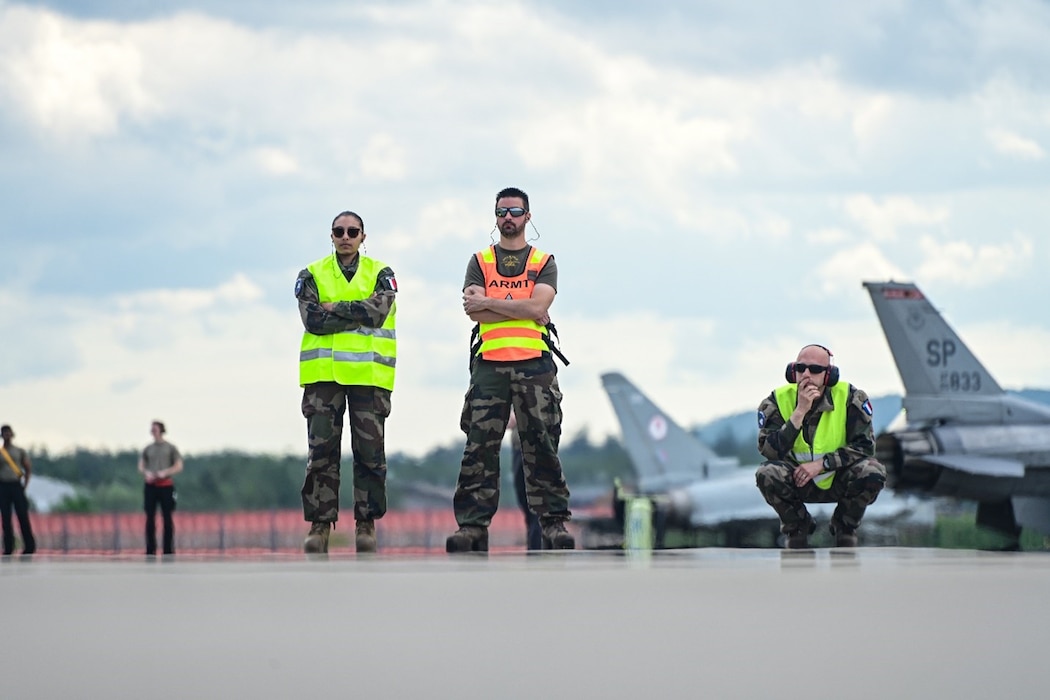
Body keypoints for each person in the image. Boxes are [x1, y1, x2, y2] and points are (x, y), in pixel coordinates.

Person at [446, 187, 573, 552]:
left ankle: (553, 524)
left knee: (541, 445)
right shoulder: (480, 260)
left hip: (535, 365)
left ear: (527, 217)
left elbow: (538, 309)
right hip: (489, 367)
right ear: (495, 216)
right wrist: (518, 303)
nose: (508, 217)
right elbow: (474, 311)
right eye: (502, 211)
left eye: (515, 211)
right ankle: (472, 527)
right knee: (478, 449)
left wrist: (492, 301)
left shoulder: (543, 261)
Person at [296, 210, 397, 554]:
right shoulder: (311, 273)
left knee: (370, 454)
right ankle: (320, 525)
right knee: (321, 453)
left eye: (352, 231)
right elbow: (313, 320)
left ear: (363, 237)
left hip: (369, 376)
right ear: (331, 235)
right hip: (323, 377)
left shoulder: (381, 273)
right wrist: (356, 315)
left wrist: (335, 306)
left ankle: (366, 524)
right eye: (339, 230)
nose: (345, 236)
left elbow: (378, 313)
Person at [754, 344, 886, 548]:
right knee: (767, 473)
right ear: (792, 371)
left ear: (829, 375)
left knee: (872, 470)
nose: (806, 374)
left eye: (815, 369)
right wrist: (799, 412)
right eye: (800, 368)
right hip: (798, 479)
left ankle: (845, 527)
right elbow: (768, 450)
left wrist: (821, 464)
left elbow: (865, 447)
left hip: (838, 477)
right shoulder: (777, 401)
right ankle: (798, 527)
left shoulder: (850, 398)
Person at [138, 420, 183, 556]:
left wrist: (166, 472)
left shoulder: (170, 448)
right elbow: (141, 465)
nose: (153, 431)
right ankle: (150, 548)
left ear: (161, 430)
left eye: (155, 429)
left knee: (167, 517)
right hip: (151, 486)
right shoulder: (148, 449)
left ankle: (168, 549)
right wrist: (147, 473)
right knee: (150, 517)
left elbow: (179, 465)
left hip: (166, 486)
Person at [507, 411, 542, 550]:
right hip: (519, 447)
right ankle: (534, 547)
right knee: (525, 500)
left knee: (535, 506)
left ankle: (536, 548)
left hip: (535, 447)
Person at [0, 425, 36, 556]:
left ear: (12, 434)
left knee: (22, 516)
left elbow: (27, 468)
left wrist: (25, 484)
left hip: (16, 485)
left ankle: (29, 546)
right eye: (4, 433)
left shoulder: (19, 451)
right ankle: (8, 547)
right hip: (3, 486)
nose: (6, 435)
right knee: (5, 518)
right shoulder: (1, 452)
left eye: (8, 433)